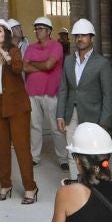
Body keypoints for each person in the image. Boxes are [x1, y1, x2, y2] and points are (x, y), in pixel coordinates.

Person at [0, 19, 39, 203]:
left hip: (16, 106)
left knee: (22, 148)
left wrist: (2, 50)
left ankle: (31, 187)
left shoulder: (13, 51)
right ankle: (5, 184)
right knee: (2, 148)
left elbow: (17, 68)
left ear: (6, 34)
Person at [55, 18, 112, 174]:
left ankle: (93, 191)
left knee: (93, 156)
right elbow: (63, 89)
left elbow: (108, 95)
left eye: (84, 35)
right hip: (71, 113)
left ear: (92, 38)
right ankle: (76, 187)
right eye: (77, 35)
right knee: (72, 152)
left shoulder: (102, 63)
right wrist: (60, 115)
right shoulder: (68, 61)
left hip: (93, 115)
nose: (80, 39)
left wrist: (104, 123)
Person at [23, 17, 66, 167]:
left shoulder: (56, 46)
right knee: (35, 126)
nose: (37, 32)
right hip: (32, 92)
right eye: (36, 29)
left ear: (49, 31)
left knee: (56, 127)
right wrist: (42, 66)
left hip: (51, 92)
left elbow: (49, 65)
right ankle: (35, 157)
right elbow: (25, 67)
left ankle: (63, 159)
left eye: (41, 29)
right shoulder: (30, 47)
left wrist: (34, 64)